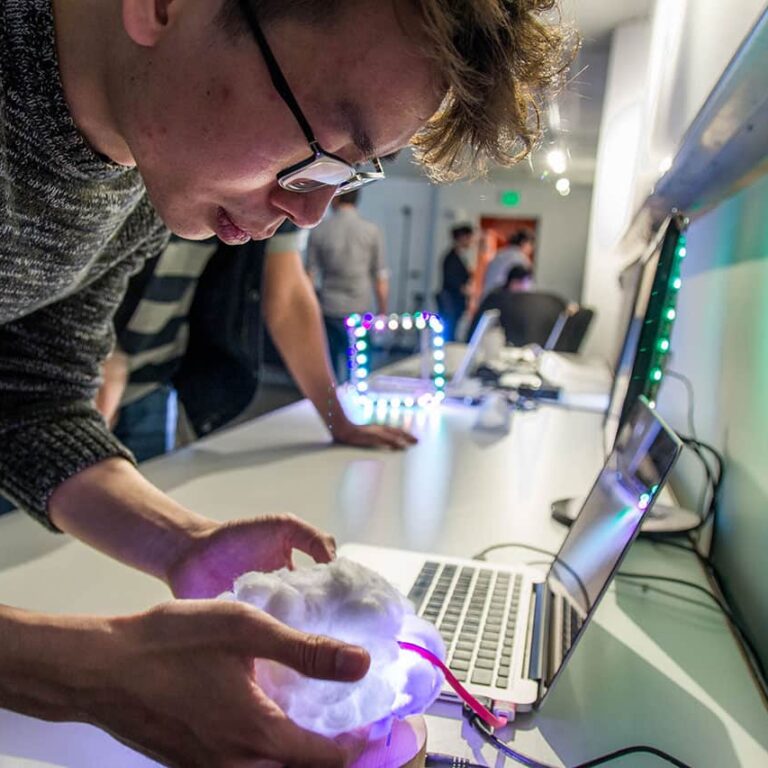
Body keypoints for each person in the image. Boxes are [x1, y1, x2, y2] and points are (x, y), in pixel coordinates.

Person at [0, 0, 573, 764]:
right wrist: (91, 673)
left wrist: (185, 544)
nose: (309, 214)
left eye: (351, 172)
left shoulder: (139, 167)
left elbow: (30, 394)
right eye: (322, 145)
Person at [106, 222, 412, 460]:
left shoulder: (285, 191)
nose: (311, 212)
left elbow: (288, 299)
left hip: (151, 382)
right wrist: (94, 354)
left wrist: (339, 420)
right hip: (90, 373)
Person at [307, 190, 389, 382]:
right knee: (360, 371)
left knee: (330, 373)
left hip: (329, 308)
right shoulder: (371, 230)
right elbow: (380, 276)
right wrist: (382, 311)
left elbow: (309, 276)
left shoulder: (320, 230)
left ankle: (330, 400)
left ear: (335, 198)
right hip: (359, 309)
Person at [468, 265, 566, 346]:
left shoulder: (515, 300)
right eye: (524, 283)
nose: (526, 288)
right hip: (489, 344)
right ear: (513, 283)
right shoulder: (498, 299)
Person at [437, 223, 475, 342]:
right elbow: (452, 280)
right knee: (450, 330)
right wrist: (465, 289)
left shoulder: (458, 256)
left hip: (456, 301)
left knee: (453, 329)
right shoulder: (451, 258)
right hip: (452, 300)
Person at [481, 228, 536, 299]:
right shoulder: (521, 259)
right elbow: (526, 286)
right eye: (531, 245)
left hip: (489, 298)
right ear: (524, 243)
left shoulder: (499, 254)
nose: (531, 250)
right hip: (505, 299)